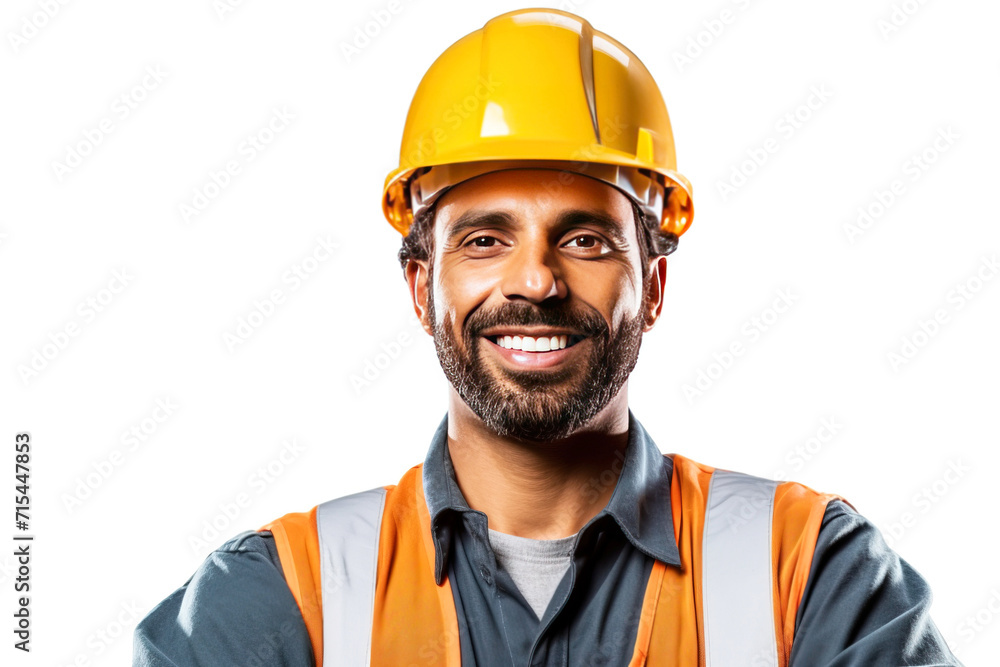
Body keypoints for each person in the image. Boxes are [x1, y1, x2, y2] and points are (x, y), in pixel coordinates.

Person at [133, 8, 962, 666]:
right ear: (421, 286)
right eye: (485, 239)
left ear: (656, 284)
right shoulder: (287, 597)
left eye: (586, 238)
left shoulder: (808, 574)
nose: (536, 281)